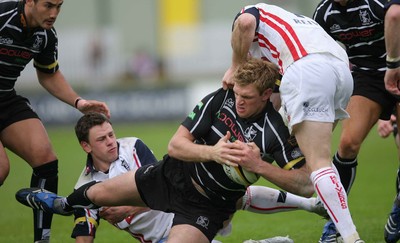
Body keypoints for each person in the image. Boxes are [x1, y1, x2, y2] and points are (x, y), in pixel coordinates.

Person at [16, 58, 321, 243]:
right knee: (96, 194)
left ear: (267, 95)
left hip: (206, 207)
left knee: (242, 200)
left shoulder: (276, 133)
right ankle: (62, 205)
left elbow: (307, 183)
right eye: (237, 93)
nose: (238, 101)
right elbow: (176, 145)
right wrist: (214, 153)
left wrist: (261, 166)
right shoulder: (221, 98)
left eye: (248, 97)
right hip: (171, 174)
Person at [221, 3, 364, 243]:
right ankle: (333, 221)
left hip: (308, 70)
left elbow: (244, 24)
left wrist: (235, 66)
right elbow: (274, 98)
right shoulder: (293, 26)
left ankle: (351, 238)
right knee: (319, 163)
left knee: (318, 164)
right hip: (341, 73)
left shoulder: (251, 15)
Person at [68, 112, 324, 243]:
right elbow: (84, 232)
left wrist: (127, 208)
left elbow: (160, 184)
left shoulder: (132, 146)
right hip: (162, 238)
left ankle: (312, 204)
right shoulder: (85, 186)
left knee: (232, 194)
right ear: (85, 146)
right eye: (102, 140)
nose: (111, 142)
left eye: (111, 135)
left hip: (184, 209)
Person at [0, 0, 110, 242]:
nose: (54, 14)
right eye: (48, 5)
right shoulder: (3, 16)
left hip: (5, 97)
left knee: (45, 158)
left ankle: (42, 239)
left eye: (59, 7)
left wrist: (79, 102)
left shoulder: (46, 35)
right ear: (29, 1)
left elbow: (48, 74)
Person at [313, 0, 400, 241]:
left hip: (399, 64)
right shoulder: (325, 13)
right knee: (347, 144)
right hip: (366, 76)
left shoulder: (375, 3)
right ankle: (336, 225)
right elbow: (314, 49)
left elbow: (396, 14)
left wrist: (394, 63)